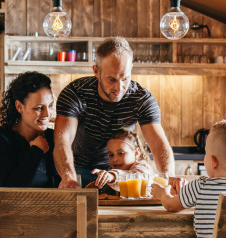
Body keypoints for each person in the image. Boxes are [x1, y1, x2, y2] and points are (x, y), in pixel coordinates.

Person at [54, 36, 174, 188]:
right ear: (96, 71)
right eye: (111, 79)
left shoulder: (141, 99)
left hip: (123, 172)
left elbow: (158, 144)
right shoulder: (75, 93)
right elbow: (62, 140)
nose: (119, 87)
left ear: (131, 69)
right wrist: (68, 177)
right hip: (79, 168)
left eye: (125, 79)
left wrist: (170, 181)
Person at [151, 119, 226, 237]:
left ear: (213, 161)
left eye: (206, 153)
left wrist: (162, 194)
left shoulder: (201, 186)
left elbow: (171, 205)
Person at [0, 71, 60, 187]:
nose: (48, 114)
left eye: (50, 106)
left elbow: (60, 186)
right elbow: (9, 188)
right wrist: (36, 151)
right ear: (19, 106)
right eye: (39, 108)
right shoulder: (1, 137)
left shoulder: (53, 137)